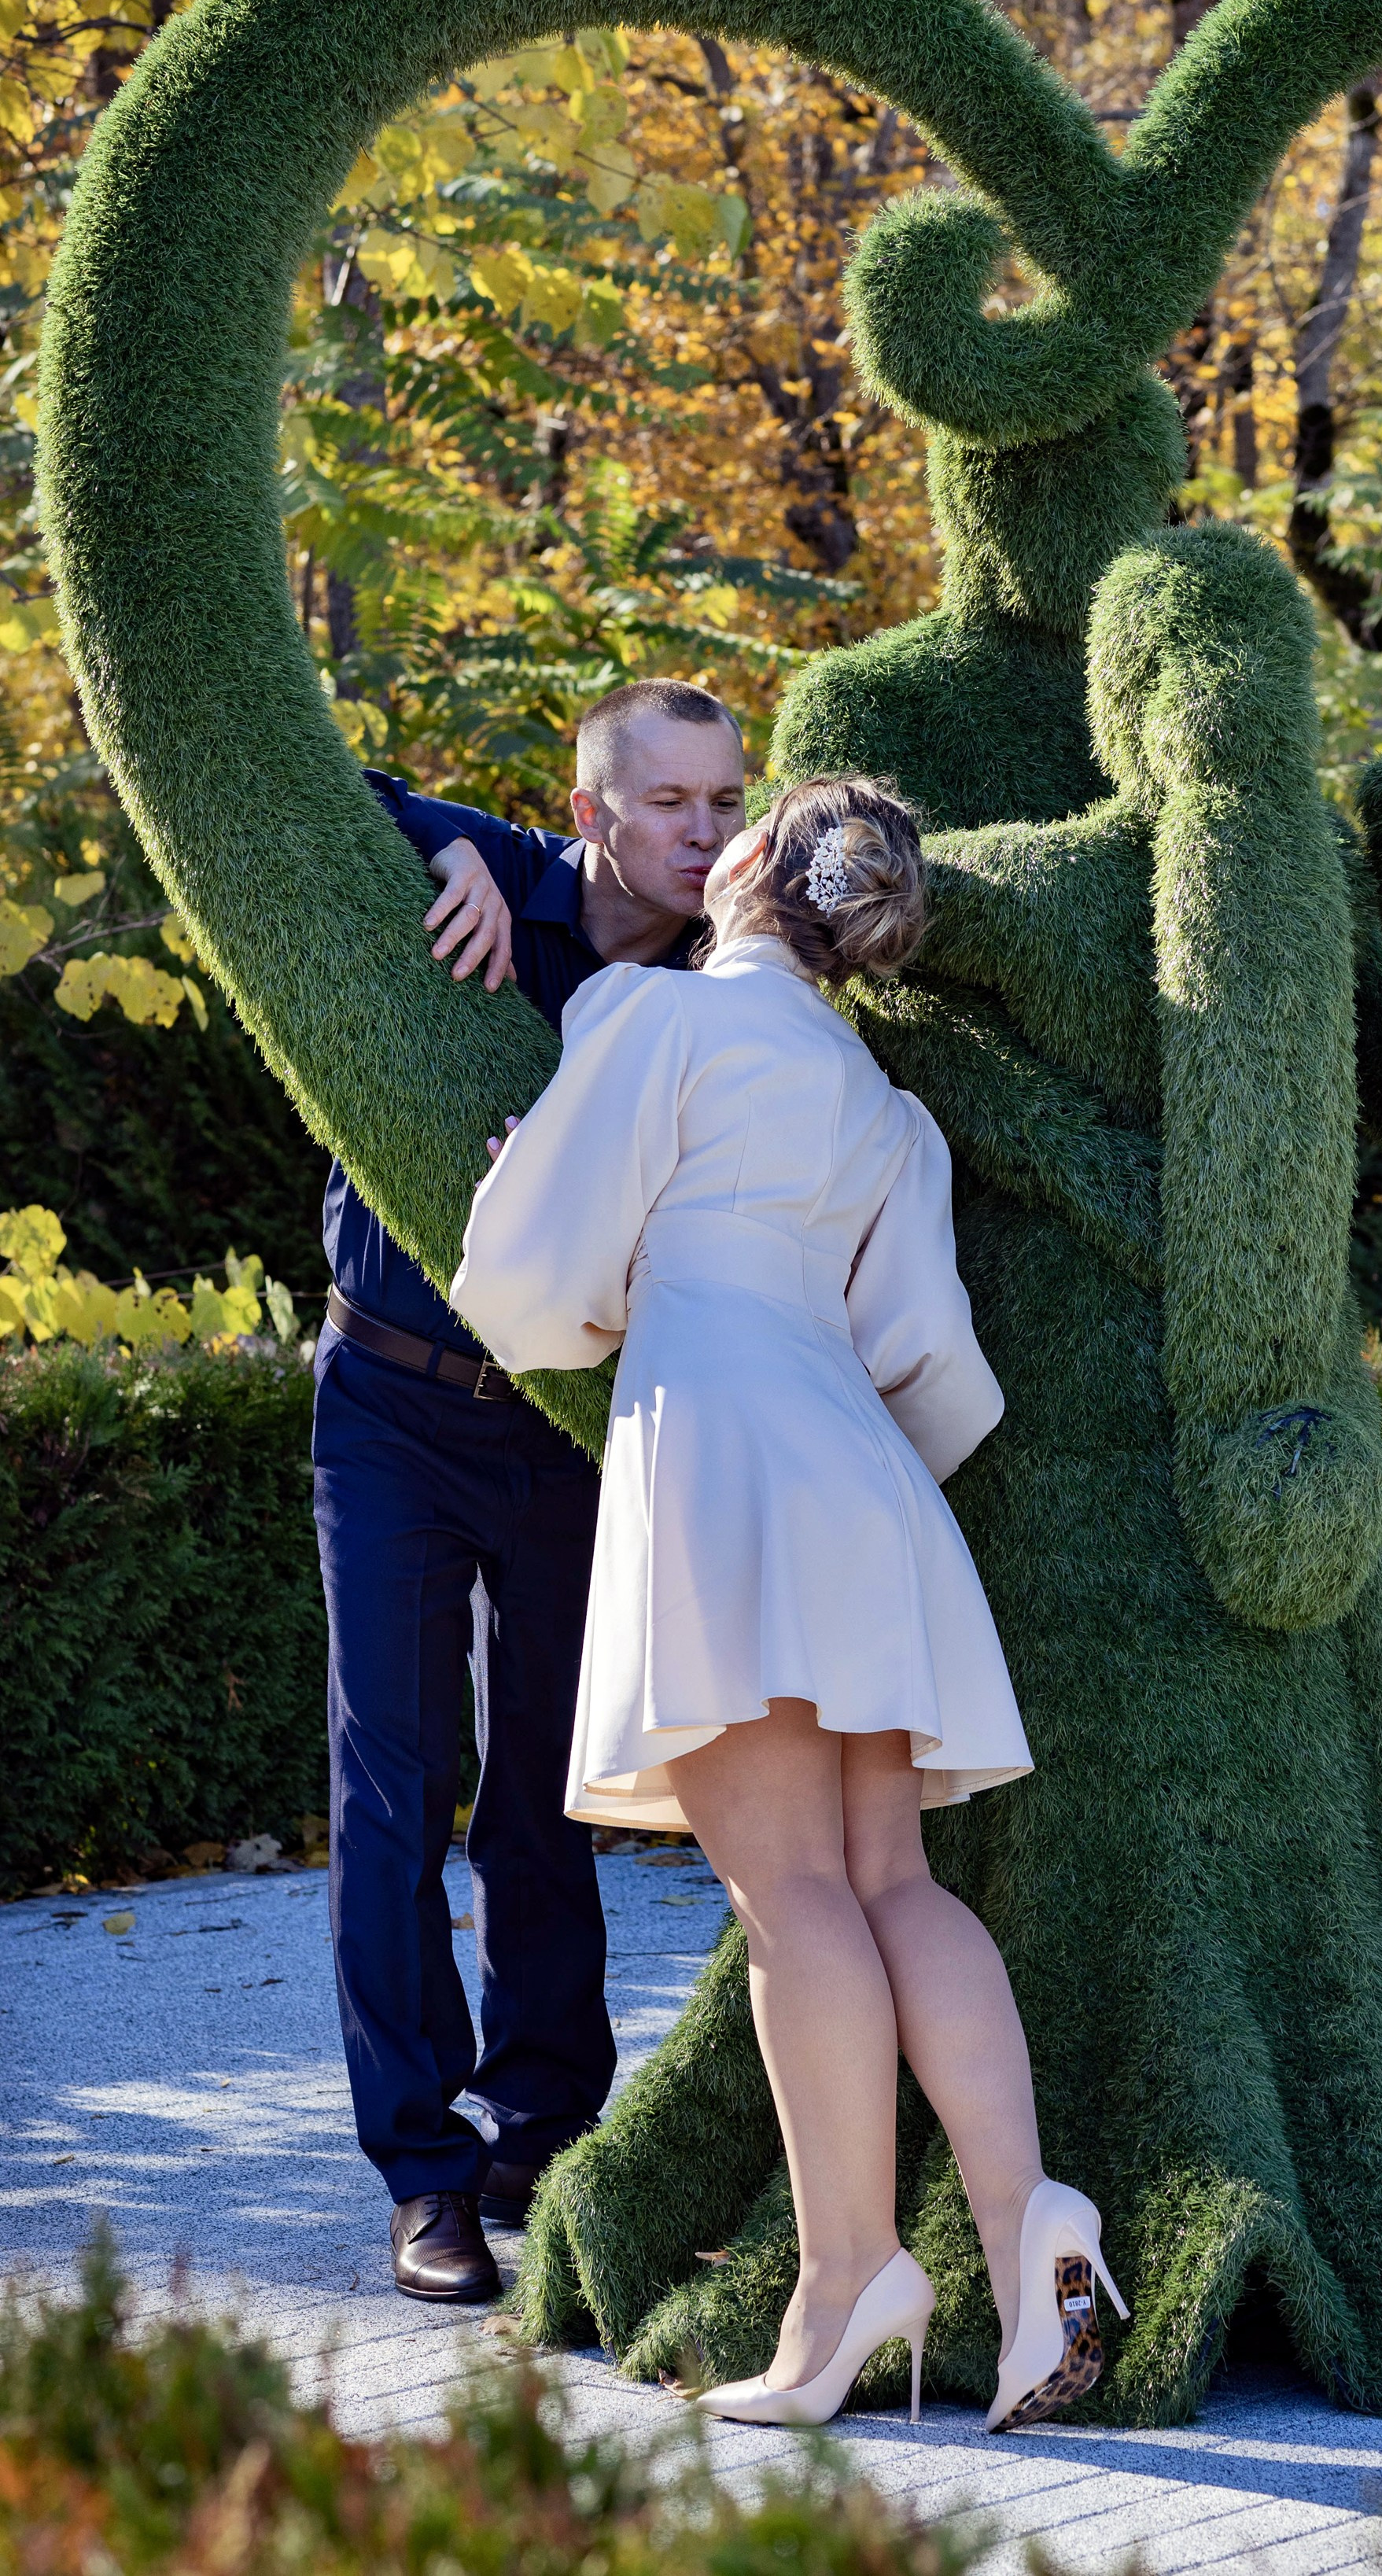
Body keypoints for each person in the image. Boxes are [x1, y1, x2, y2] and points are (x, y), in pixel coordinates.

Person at [450, 775, 1128, 2430]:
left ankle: (848, 2279)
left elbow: (536, 1277)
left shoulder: (648, 1018)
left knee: (792, 1893)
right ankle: (1027, 2216)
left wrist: (517, 1190)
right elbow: (937, 1367)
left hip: (725, 1451)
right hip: (864, 1477)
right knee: (891, 1875)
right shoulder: (886, 1108)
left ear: (751, 868)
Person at [314, 679, 749, 2305]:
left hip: (573, 1421)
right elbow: (314, 784)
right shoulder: (482, 864)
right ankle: (423, 2176)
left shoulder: (731, 987)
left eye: (723, 800)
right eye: (669, 803)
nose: (703, 833)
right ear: (592, 814)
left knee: (559, 1786)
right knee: (393, 1784)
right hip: (391, 1408)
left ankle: (544, 2118)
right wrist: (450, 859)